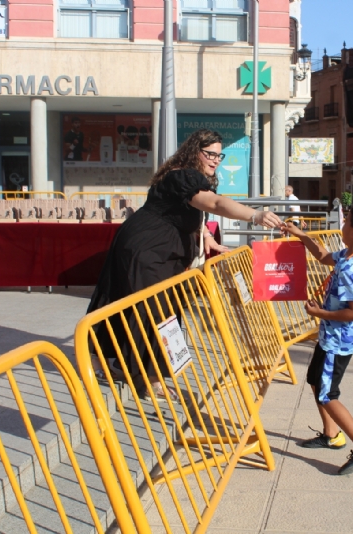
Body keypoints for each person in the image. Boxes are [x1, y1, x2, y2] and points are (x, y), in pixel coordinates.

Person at [87, 129, 284, 400]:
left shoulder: (189, 177)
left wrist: (207, 238)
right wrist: (255, 215)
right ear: (194, 151)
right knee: (151, 309)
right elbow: (213, 203)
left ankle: (132, 367)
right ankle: (142, 375)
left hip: (159, 250)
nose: (215, 160)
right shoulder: (181, 176)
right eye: (209, 154)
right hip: (148, 249)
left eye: (219, 155)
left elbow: (186, 212)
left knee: (157, 309)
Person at [282, 205, 353, 475]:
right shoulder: (351, 255)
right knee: (315, 380)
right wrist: (300, 235)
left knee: (328, 393)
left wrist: (319, 312)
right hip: (331, 336)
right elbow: (323, 255)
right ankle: (331, 435)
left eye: (346, 221)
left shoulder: (351, 267)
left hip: (338, 340)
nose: (342, 224)